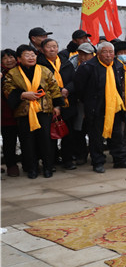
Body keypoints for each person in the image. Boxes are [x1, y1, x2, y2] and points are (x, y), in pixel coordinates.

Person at [74, 41, 126, 173]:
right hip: (96, 107)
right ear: (98, 53)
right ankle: (98, 162)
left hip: (115, 106)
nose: (108, 55)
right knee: (96, 136)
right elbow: (80, 89)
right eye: (105, 52)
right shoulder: (88, 67)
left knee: (117, 134)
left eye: (111, 52)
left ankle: (119, 159)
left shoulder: (117, 65)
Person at [2, 44, 63, 178]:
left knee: (45, 140)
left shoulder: (44, 70)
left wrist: (57, 106)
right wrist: (23, 95)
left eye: (33, 55)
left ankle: (47, 167)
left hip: (44, 110)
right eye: (27, 55)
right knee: (27, 141)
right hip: (24, 111)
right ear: (19, 58)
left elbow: (54, 88)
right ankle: (32, 168)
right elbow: (7, 89)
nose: (31, 58)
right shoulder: (13, 73)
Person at [39, 38, 78, 170]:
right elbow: (42, 83)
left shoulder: (65, 62)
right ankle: (52, 161)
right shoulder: (40, 64)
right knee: (51, 134)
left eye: (54, 46)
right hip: (50, 103)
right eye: (49, 47)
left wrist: (68, 89)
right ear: (42, 49)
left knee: (68, 133)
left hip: (68, 102)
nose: (52, 49)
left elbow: (74, 79)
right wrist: (60, 91)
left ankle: (67, 160)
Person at [1, 49, 20, 177]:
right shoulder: (2, 74)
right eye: (5, 58)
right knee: (9, 141)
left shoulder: (23, 70)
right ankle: (11, 165)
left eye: (11, 57)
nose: (9, 60)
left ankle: (30, 164)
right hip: (6, 114)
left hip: (23, 112)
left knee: (27, 140)